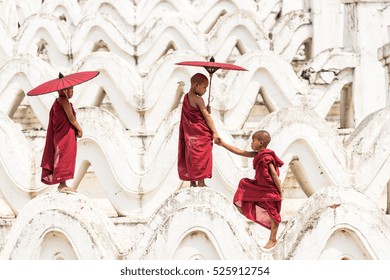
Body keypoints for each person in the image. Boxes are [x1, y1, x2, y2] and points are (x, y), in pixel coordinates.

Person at [217, 130, 284, 249]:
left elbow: (274, 175)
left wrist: (280, 190)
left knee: (273, 214)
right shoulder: (257, 154)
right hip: (259, 186)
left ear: (261, 143)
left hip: (270, 189)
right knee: (244, 183)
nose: (251, 143)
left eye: (253, 141)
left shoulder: (266, 158)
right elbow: (240, 152)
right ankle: (243, 207)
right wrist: (223, 144)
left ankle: (273, 239)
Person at [178, 73, 221, 187]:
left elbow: (196, 113)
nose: (206, 90)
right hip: (201, 135)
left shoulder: (186, 97)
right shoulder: (199, 100)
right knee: (203, 156)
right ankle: (201, 182)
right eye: (204, 87)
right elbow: (207, 117)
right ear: (196, 85)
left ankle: (193, 182)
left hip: (190, 135)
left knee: (191, 156)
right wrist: (215, 132)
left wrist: (204, 110)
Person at [40, 86, 83, 193]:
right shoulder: (63, 101)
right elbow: (71, 118)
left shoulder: (57, 103)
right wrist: (80, 129)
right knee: (65, 157)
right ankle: (62, 184)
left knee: (63, 156)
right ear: (63, 90)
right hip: (65, 135)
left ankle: (62, 183)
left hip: (61, 135)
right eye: (70, 89)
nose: (72, 91)